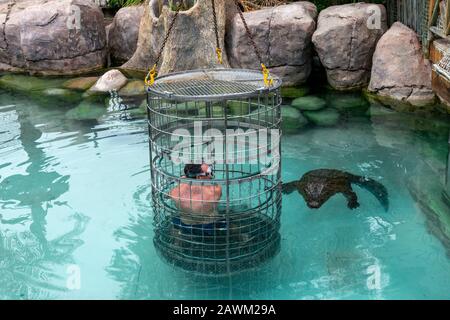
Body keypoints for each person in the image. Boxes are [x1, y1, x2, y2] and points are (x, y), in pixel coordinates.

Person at [170, 163, 223, 233]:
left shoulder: (175, 192)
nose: (211, 175)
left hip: (185, 224)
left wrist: (184, 180)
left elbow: (168, 195)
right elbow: (216, 186)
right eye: (208, 173)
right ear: (199, 178)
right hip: (208, 226)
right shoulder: (214, 191)